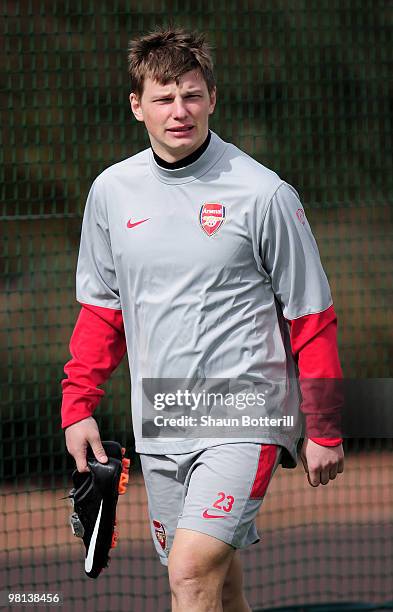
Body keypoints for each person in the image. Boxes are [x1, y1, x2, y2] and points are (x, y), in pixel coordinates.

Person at [61, 27, 344, 612]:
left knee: (189, 573)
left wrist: (325, 426)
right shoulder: (111, 192)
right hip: (162, 415)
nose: (179, 111)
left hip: (246, 410)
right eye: (164, 98)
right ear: (137, 105)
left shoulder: (263, 193)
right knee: (217, 583)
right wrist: (78, 406)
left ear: (212, 97)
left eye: (191, 95)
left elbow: (311, 315)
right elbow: (102, 311)